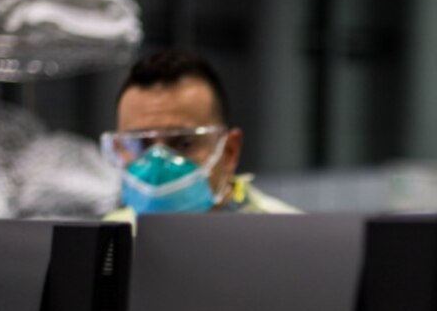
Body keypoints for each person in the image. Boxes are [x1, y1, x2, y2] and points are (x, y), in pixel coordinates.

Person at [100, 48, 298, 220]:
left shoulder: (295, 239)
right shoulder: (111, 240)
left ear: (230, 151)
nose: (157, 167)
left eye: (183, 143)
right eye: (141, 144)